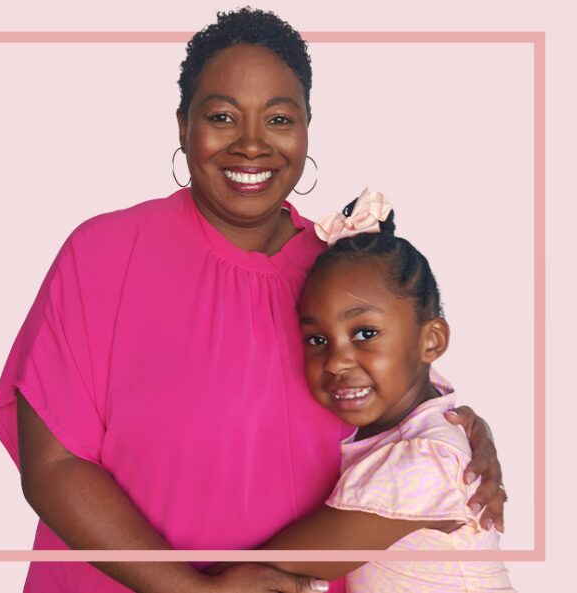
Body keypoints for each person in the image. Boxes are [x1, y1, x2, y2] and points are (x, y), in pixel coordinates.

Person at [0, 8, 506, 593]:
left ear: (308, 126)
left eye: (279, 118)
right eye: (222, 116)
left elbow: (405, 400)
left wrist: (464, 436)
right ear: (183, 125)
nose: (253, 143)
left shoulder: (343, 270)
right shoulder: (105, 253)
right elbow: (53, 466)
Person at [206, 191, 517, 592]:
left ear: (432, 341)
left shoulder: (421, 464)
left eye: (365, 333)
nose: (336, 362)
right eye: (317, 340)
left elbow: (267, 574)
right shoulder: (419, 426)